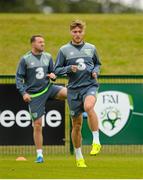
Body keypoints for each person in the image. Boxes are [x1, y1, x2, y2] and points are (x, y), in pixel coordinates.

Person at [54, 20, 101, 168]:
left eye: (80, 32)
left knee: (89, 106)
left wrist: (95, 71)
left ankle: (96, 141)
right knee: (77, 124)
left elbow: (98, 64)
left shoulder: (91, 48)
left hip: (89, 86)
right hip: (73, 90)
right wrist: (68, 68)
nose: (77, 34)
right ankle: (79, 156)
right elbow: (56, 70)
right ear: (71, 33)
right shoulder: (64, 50)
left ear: (83, 32)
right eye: (75, 32)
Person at [16, 35, 67, 163]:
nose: (43, 44)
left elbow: (53, 72)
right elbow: (18, 79)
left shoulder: (48, 56)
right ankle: (40, 155)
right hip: (34, 95)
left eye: (43, 42)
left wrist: (54, 76)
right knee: (38, 125)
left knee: (69, 93)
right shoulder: (25, 59)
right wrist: (24, 93)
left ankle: (81, 109)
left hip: (48, 88)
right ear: (33, 44)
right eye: (40, 42)